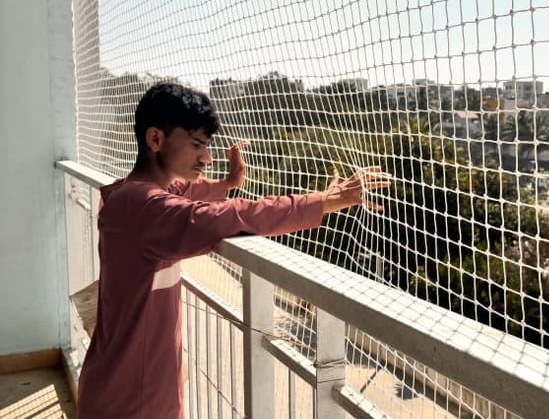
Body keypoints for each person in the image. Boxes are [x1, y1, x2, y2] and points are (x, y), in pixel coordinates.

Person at [76, 82, 389, 418]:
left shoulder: (129, 194)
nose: (207, 157)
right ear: (155, 139)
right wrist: (323, 202)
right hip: (132, 401)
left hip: (122, 384)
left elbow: (185, 191)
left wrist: (227, 182)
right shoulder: (142, 207)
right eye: (197, 144)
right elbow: (227, 216)